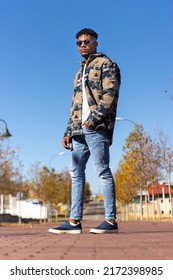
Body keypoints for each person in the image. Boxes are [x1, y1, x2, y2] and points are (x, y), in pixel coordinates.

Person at [49, 28, 121, 234]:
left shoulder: (106, 64)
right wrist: (68, 130)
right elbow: (75, 104)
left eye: (87, 41)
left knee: (102, 170)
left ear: (96, 43)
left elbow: (110, 94)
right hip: (78, 130)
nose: (82, 45)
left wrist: (92, 120)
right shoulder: (79, 71)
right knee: (76, 173)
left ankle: (111, 221)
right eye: (79, 42)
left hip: (96, 127)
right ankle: (74, 222)